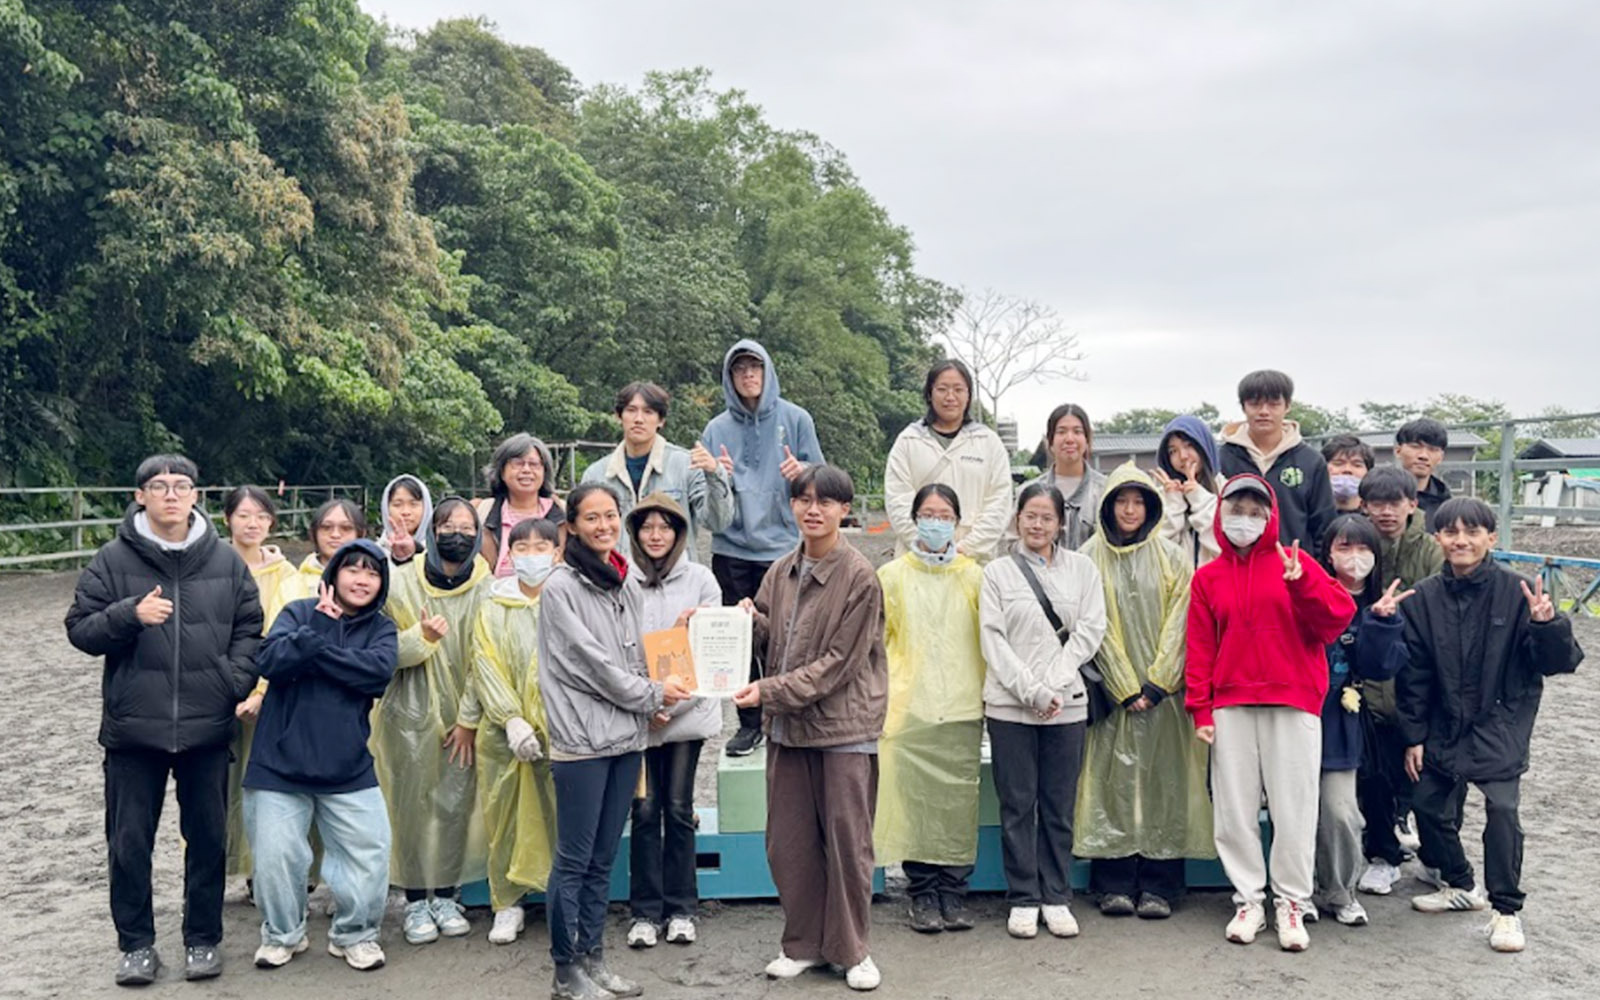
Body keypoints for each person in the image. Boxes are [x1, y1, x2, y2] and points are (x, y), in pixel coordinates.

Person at [65, 454, 263, 985]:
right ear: (140, 496)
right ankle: (136, 945)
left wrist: (230, 681)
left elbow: (251, 626)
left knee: (207, 839)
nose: (171, 494)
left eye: (181, 486)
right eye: (159, 486)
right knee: (129, 843)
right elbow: (80, 629)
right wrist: (128, 615)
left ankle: (203, 939)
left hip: (206, 727)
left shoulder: (225, 562)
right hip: (134, 730)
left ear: (196, 495)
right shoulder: (112, 560)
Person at [1397, 498, 1583, 953]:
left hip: (1501, 721)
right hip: (1444, 722)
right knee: (1427, 804)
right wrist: (1414, 735)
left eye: (1472, 532)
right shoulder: (1423, 597)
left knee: (1502, 811)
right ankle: (1460, 884)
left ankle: (1506, 910)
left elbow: (1559, 663)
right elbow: (1414, 675)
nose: (1461, 540)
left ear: (1491, 538)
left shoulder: (1517, 591)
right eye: (1451, 532)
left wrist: (1547, 625)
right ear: (1438, 538)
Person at [731, 465, 888, 991]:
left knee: (847, 843)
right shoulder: (781, 571)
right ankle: (802, 944)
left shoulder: (860, 577)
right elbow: (771, 635)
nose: (813, 510)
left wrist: (768, 693)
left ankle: (853, 950)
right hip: (789, 728)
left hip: (843, 728)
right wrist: (744, 621)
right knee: (789, 841)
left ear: (846, 510)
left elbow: (838, 664)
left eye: (825, 501)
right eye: (803, 499)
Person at [1185, 474, 1354, 952]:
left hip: (1294, 700)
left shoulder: (1295, 563)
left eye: (1255, 513)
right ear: (1221, 516)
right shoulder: (1208, 577)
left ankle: (1292, 902)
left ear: (1271, 517)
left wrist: (1302, 584)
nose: (1245, 521)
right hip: (1231, 704)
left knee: (1293, 807)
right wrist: (1201, 709)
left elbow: (1336, 618)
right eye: (1235, 511)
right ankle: (1248, 900)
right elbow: (1200, 646)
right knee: (1234, 810)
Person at [538, 483, 691, 1000]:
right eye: (591, 518)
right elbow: (592, 666)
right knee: (574, 860)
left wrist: (655, 697)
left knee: (603, 858)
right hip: (581, 743)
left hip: (625, 741)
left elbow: (633, 658)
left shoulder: (623, 581)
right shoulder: (561, 588)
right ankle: (566, 971)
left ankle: (593, 959)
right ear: (572, 527)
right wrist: (651, 694)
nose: (603, 526)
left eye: (610, 516)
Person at [244, 539, 397, 973]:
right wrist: (319, 629)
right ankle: (282, 935)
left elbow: (375, 674)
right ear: (333, 575)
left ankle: (356, 934)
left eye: (372, 573)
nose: (362, 579)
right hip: (278, 762)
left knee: (369, 853)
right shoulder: (298, 613)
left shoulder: (382, 629)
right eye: (353, 569)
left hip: (347, 763)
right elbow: (271, 661)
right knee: (276, 858)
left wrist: (312, 654)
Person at [1075, 465, 1210, 920]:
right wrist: (1123, 685)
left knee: (1164, 784)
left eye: (1138, 501)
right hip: (1112, 697)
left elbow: (1183, 620)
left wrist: (1158, 682)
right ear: (1108, 505)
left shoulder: (1172, 557)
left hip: (1164, 697)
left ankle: (1160, 884)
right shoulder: (1087, 558)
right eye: (1121, 501)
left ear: (1151, 507)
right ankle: (1112, 882)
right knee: (1110, 784)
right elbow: (1094, 625)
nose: (1130, 510)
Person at [980, 482, 1107, 941]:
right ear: (1017, 519)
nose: (1038, 525)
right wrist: (1031, 691)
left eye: (1046, 517)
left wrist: (1053, 684)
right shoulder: (996, 573)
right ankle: (1023, 897)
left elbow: (1090, 630)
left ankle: (1056, 895)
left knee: (1058, 804)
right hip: (1009, 706)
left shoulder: (1083, 570)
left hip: (1066, 705)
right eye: (1030, 516)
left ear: (1060, 523)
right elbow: (993, 639)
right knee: (1017, 804)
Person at [374, 497, 492, 944]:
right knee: (410, 806)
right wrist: (419, 639)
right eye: (447, 526)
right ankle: (415, 900)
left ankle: (445, 893)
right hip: (406, 713)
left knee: (454, 805)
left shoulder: (485, 587)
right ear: (432, 530)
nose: (457, 534)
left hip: (463, 718)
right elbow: (382, 650)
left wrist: (468, 719)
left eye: (467, 527)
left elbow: (486, 656)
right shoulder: (400, 582)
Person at [699, 339, 824, 757]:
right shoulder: (716, 429)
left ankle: (787, 716)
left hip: (783, 547)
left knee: (788, 636)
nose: (748, 375)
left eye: (755, 367)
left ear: (768, 372)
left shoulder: (797, 419)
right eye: (739, 369)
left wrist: (802, 472)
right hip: (732, 548)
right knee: (739, 641)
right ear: (729, 377)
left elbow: (823, 482)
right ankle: (749, 724)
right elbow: (707, 501)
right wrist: (718, 475)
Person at [873, 483, 987, 934]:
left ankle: (954, 892)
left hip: (962, 703)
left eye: (944, 515)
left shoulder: (975, 576)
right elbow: (878, 644)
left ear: (957, 522)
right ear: (914, 519)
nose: (936, 523)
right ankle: (922, 892)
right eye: (928, 514)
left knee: (958, 801)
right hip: (910, 705)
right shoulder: (891, 576)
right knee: (916, 801)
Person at [625, 494, 724, 949]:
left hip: (685, 716)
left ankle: (683, 908)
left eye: (665, 527)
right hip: (638, 715)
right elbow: (618, 649)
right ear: (635, 533)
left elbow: (712, 653)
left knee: (679, 808)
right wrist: (646, 704)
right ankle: (645, 912)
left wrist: (669, 706)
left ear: (680, 533)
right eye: (647, 527)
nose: (656, 535)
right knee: (645, 811)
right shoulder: (622, 580)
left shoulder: (701, 580)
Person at [1312, 515, 1409, 928]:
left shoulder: (1379, 607)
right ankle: (1298, 892)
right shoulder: (1309, 595)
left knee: (1341, 812)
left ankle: (1339, 891)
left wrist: (1381, 622)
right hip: (1297, 714)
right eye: (1344, 547)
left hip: (1342, 721)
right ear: (1327, 554)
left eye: (1363, 548)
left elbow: (1378, 667)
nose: (1355, 557)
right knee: (1294, 811)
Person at [1353, 464, 1445, 893]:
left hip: (1419, 672)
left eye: (1395, 503)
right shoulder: (1357, 544)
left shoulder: (1430, 551)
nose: (1386, 512)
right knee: (1374, 774)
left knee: (1425, 773)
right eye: (1377, 503)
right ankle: (1382, 855)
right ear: (1363, 505)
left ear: (1413, 504)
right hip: (1369, 674)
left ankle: (1436, 855)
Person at [471, 518, 561, 946]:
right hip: (502, 735)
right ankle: (507, 903)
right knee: (504, 814)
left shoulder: (567, 599)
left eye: (541, 547)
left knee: (560, 815)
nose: (531, 555)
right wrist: (511, 718)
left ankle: (563, 899)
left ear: (557, 553)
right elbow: (483, 661)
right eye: (522, 547)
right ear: (509, 554)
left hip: (562, 730)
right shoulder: (494, 603)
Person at [221, 487, 307, 895]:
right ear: (227, 520)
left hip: (267, 692)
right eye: (243, 515)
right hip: (215, 688)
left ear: (271, 522)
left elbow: (281, 635)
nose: (251, 523)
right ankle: (210, 868)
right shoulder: (211, 566)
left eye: (260, 516)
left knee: (264, 783)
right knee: (214, 785)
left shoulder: (285, 575)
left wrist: (261, 690)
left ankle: (262, 871)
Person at [581, 381, 734, 562]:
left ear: (661, 420)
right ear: (619, 416)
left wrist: (715, 474)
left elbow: (717, 522)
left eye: (648, 412)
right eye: (631, 410)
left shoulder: (687, 465)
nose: (639, 419)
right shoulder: (596, 475)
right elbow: (584, 532)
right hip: (616, 575)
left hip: (674, 575)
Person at [883, 360, 1013, 563]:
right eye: (942, 389)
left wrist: (965, 548)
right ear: (929, 393)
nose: (950, 397)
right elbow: (897, 500)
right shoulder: (908, 441)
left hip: (973, 562)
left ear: (968, 395)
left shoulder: (988, 442)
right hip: (916, 561)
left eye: (958, 389)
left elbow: (999, 503)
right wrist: (926, 546)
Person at [1218, 370, 1336, 556]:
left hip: (1293, 568)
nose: (1264, 412)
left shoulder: (1311, 461)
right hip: (1235, 567)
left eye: (1274, 404)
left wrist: (1310, 569)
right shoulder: (1221, 458)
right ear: (1243, 407)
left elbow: (1324, 526)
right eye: (1255, 404)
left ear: (1287, 406)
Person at [475, 434, 567, 578]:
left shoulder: (564, 513)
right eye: (517, 463)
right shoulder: (483, 512)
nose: (526, 470)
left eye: (534, 464)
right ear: (501, 472)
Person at [1022, 404, 1105, 549]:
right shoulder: (1027, 493)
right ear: (1050, 441)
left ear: (1087, 440)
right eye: (1061, 432)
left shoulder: (1106, 490)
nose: (1069, 439)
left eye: (1077, 432)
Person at [1152, 415, 1224, 568]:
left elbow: (1223, 548)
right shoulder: (1161, 496)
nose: (1183, 456)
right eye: (1173, 451)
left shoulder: (1227, 490)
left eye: (1189, 446)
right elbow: (1158, 554)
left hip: (1218, 581)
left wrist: (1198, 497)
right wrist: (1174, 503)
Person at [1394, 418, 1452, 529]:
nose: (1423, 456)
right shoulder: (1378, 495)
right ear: (1398, 451)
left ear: (1441, 457)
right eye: (1415, 447)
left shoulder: (1447, 505)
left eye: (1432, 449)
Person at [298, 497, 367, 586]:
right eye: (326, 527)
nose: (335, 535)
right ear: (313, 533)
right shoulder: (294, 582)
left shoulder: (372, 581)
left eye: (346, 528)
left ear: (361, 534)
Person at [378, 475, 433, 564]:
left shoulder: (437, 553)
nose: (406, 512)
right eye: (397, 504)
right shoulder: (375, 553)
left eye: (413, 504)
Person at [1320, 434, 1375, 514]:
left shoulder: (1376, 515)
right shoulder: (1310, 512)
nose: (1347, 470)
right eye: (1338, 464)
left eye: (1357, 465)